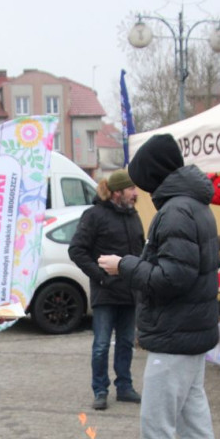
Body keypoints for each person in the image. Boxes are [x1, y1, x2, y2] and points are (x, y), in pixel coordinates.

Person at [98, 134, 220, 439]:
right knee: (194, 423)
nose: (142, 191)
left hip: (175, 336)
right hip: (190, 334)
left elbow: (172, 278)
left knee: (157, 427)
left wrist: (123, 265)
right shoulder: (194, 204)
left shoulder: (176, 211)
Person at [68, 169, 145, 411]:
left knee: (126, 343)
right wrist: (101, 277)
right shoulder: (94, 215)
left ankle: (124, 387)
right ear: (116, 192)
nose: (135, 193)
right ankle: (100, 390)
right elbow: (76, 250)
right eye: (131, 189)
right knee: (101, 344)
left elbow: (141, 250)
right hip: (105, 292)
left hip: (130, 292)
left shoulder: (134, 216)